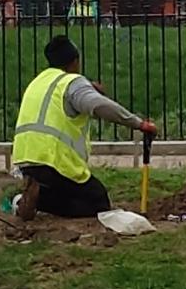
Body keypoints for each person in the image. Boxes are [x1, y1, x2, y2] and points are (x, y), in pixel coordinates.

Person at [11, 34, 156, 220]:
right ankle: (39, 201)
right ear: (75, 61)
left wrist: (87, 87)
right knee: (97, 202)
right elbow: (99, 106)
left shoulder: (39, 82)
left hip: (25, 159)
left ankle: (28, 198)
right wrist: (138, 123)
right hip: (54, 161)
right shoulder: (73, 83)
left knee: (66, 193)